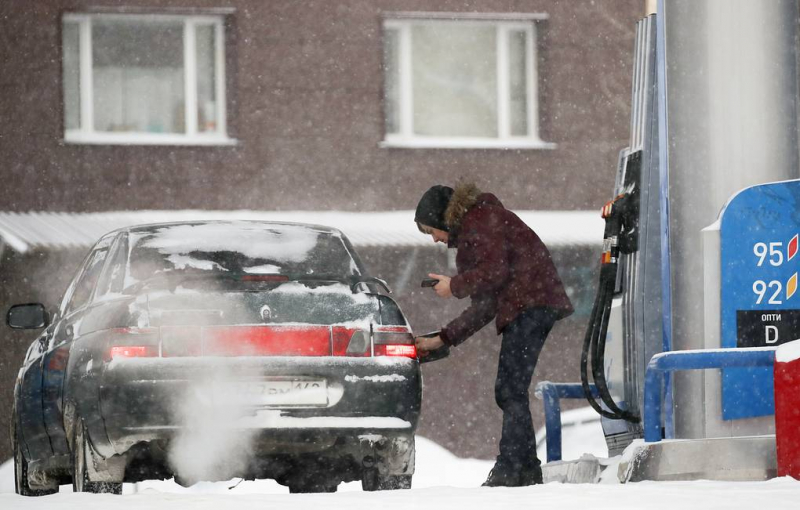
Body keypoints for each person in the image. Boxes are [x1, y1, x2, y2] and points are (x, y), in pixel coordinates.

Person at [413, 182, 574, 487]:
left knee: (510, 389)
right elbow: (485, 305)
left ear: (442, 217)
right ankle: (523, 469)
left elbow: (494, 272)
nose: (434, 239)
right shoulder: (476, 229)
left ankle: (512, 469)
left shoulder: (480, 221)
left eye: (431, 230)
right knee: (509, 389)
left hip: (532, 304)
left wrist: (455, 285)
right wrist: (443, 338)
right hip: (530, 305)